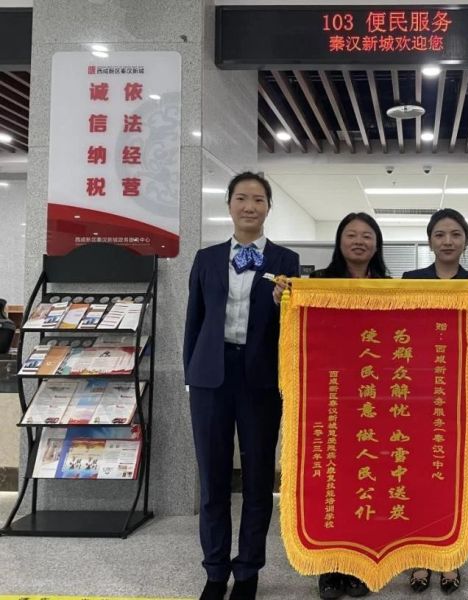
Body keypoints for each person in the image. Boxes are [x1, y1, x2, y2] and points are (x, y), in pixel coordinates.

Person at [184, 172, 300, 600]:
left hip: (261, 379)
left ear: (269, 207)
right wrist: (190, 375)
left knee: (257, 479)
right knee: (212, 478)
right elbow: (194, 320)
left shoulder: (286, 260)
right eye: (241, 198)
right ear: (229, 204)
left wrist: (284, 305)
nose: (249, 206)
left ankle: (248, 571)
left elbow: (295, 325)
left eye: (258, 199)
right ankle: (215, 572)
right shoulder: (206, 258)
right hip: (210, 378)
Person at [275, 211, 388, 599]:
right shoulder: (318, 283)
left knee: (368, 484)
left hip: (373, 400)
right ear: (340, 241)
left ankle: (360, 567)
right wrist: (284, 299)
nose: (359, 241)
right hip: (329, 401)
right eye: (351, 234)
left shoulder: (392, 287)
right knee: (331, 485)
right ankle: (329, 569)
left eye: (367, 235)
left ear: (377, 244)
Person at [401, 208, 468, 595]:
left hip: (459, 397)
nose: (448, 241)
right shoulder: (410, 281)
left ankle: (450, 557)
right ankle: (420, 557)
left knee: (454, 479)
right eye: (440, 234)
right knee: (418, 477)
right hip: (418, 395)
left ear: (465, 240)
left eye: (455, 234)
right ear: (430, 240)